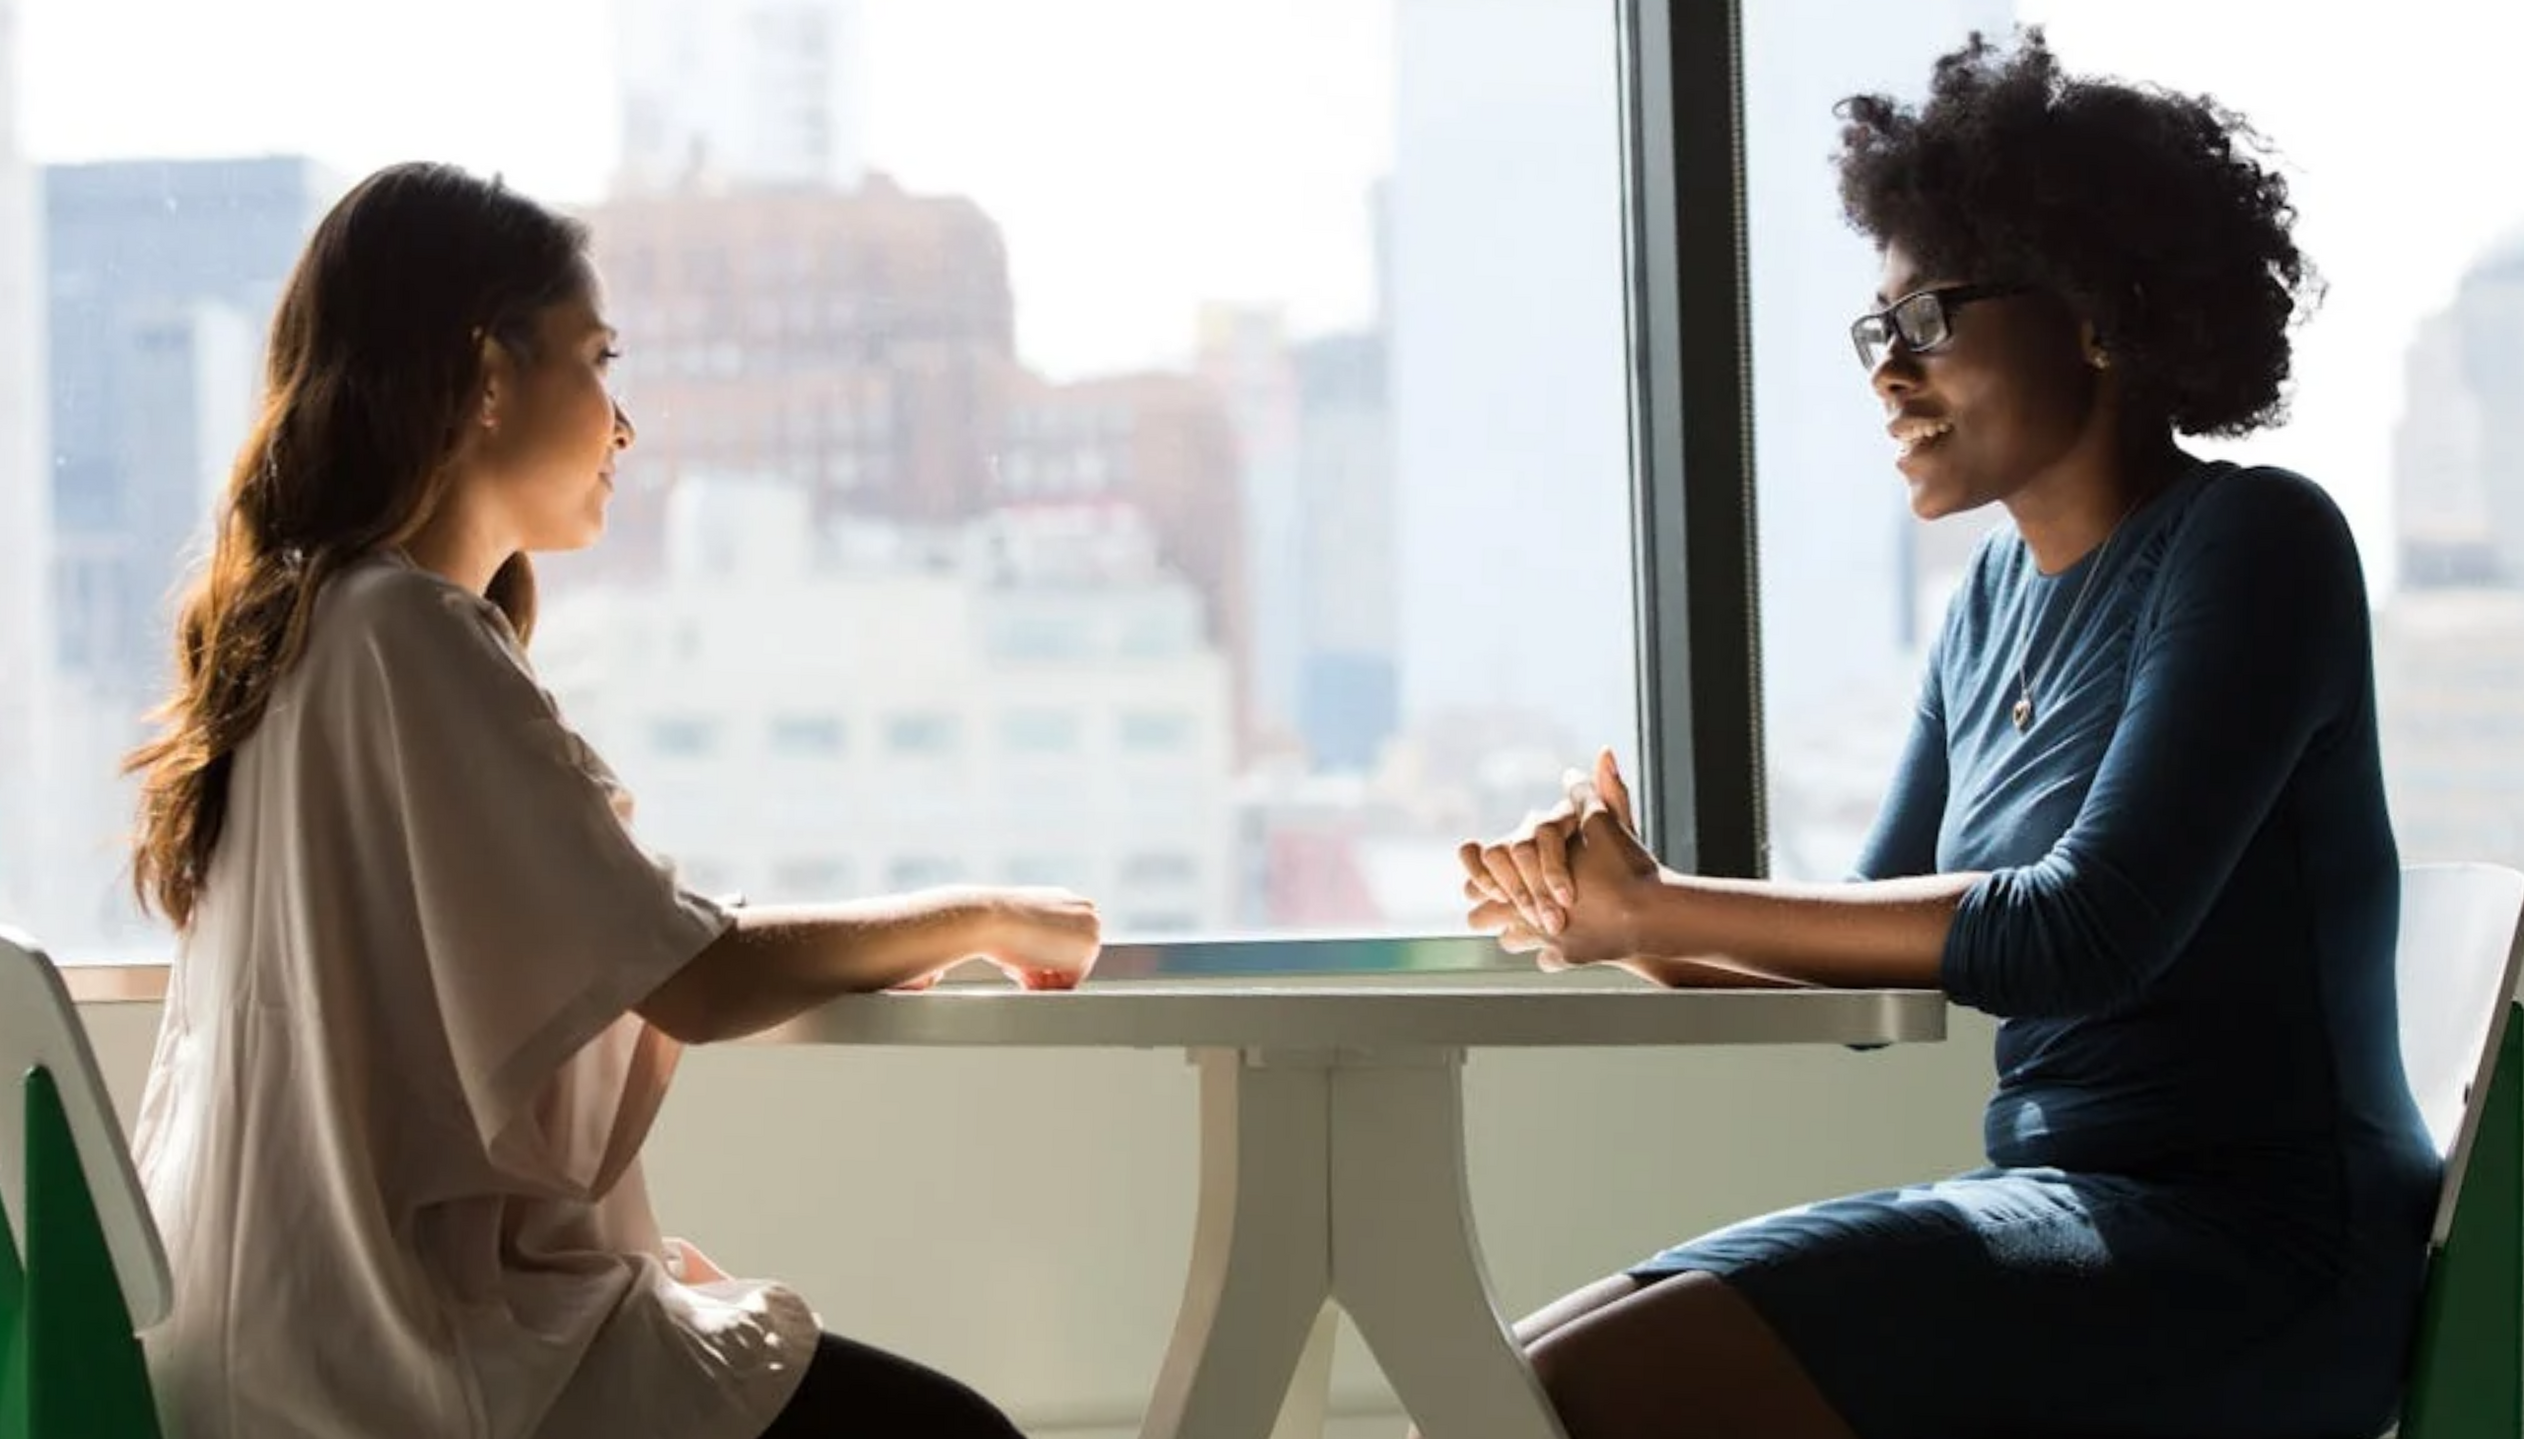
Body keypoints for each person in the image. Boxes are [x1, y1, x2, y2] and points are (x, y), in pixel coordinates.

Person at [1458, 29, 2439, 1439]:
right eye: (1878, 330)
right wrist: (1615, 921)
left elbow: (2082, 931)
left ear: (2096, 309)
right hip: (2065, 1211)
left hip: (2259, 1251)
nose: (1886, 372)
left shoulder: (2256, 543)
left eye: (1929, 321)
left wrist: (1663, 902)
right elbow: (1869, 983)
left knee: (1571, 1396)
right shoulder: (1986, 602)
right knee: (1496, 1382)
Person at [123, 161, 1101, 1439]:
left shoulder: (303, 638)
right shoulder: (400, 634)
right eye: (597, 360)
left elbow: (609, 947)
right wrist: (987, 913)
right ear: (486, 373)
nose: (623, 424)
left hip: (266, 1352)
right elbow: (692, 974)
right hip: (398, 1366)